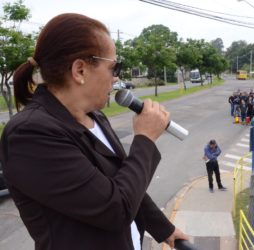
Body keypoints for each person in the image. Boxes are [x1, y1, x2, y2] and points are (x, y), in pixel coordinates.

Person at [0, 13, 188, 250]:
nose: (116, 78)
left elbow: (125, 180)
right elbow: (115, 209)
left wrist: (165, 229)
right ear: (80, 70)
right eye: (113, 67)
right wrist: (145, 139)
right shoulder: (30, 134)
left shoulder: (94, 116)